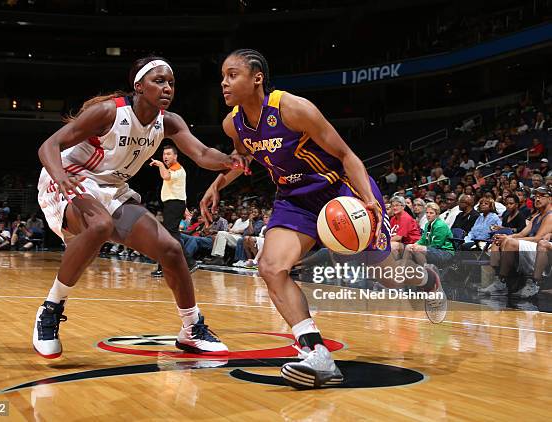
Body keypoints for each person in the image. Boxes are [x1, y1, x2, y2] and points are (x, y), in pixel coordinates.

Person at [200, 49, 446, 390]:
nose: (224, 83)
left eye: (232, 75)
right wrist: (216, 185)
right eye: (223, 76)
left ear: (256, 77)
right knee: (271, 267)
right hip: (293, 200)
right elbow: (243, 159)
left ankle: (426, 281)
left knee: (387, 275)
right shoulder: (234, 123)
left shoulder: (293, 108)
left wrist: (370, 199)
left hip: (340, 193)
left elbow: (346, 155)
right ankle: (316, 354)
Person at [33, 56, 247, 359]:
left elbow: (200, 153)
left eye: (171, 82)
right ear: (138, 86)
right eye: (159, 81)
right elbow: (49, 146)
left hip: (112, 189)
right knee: (100, 225)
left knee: (171, 249)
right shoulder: (109, 112)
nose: (167, 88)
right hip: (72, 177)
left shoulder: (168, 121)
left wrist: (228, 161)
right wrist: (60, 178)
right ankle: (51, 309)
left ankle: (191, 328)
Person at [485, 186, 552, 297]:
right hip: (534, 246)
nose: (537, 199)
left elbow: (538, 238)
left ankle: (533, 283)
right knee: (498, 239)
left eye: (541, 196)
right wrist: (505, 236)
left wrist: (509, 239)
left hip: (543, 248)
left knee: (510, 242)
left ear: (550, 199)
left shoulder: (550, 216)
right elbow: (521, 234)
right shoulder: (536, 217)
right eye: (536, 196)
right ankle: (500, 280)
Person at [149, 144, 197, 276]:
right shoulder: (174, 168)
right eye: (164, 154)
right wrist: (185, 207)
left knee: (171, 236)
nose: (165, 157)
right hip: (175, 204)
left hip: (174, 205)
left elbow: (165, 176)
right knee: (167, 237)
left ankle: (189, 262)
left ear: (175, 156)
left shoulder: (176, 168)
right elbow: (180, 190)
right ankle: (165, 267)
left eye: (169, 154)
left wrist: (159, 164)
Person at [404, 202, 454, 267]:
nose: (428, 215)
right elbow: (423, 240)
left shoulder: (440, 225)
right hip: (432, 249)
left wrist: (422, 248)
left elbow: (437, 244)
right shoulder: (427, 224)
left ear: (437, 214)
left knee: (417, 249)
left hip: (444, 252)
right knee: (409, 247)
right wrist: (414, 245)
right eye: (427, 213)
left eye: (431, 213)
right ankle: (403, 268)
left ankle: (425, 271)